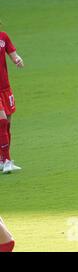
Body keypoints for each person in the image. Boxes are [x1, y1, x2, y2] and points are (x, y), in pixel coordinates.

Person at [0, 21, 24, 174]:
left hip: (5, 88)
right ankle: (7, 161)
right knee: (1, 122)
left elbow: (13, 54)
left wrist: (17, 60)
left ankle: (3, 159)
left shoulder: (3, 37)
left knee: (7, 124)